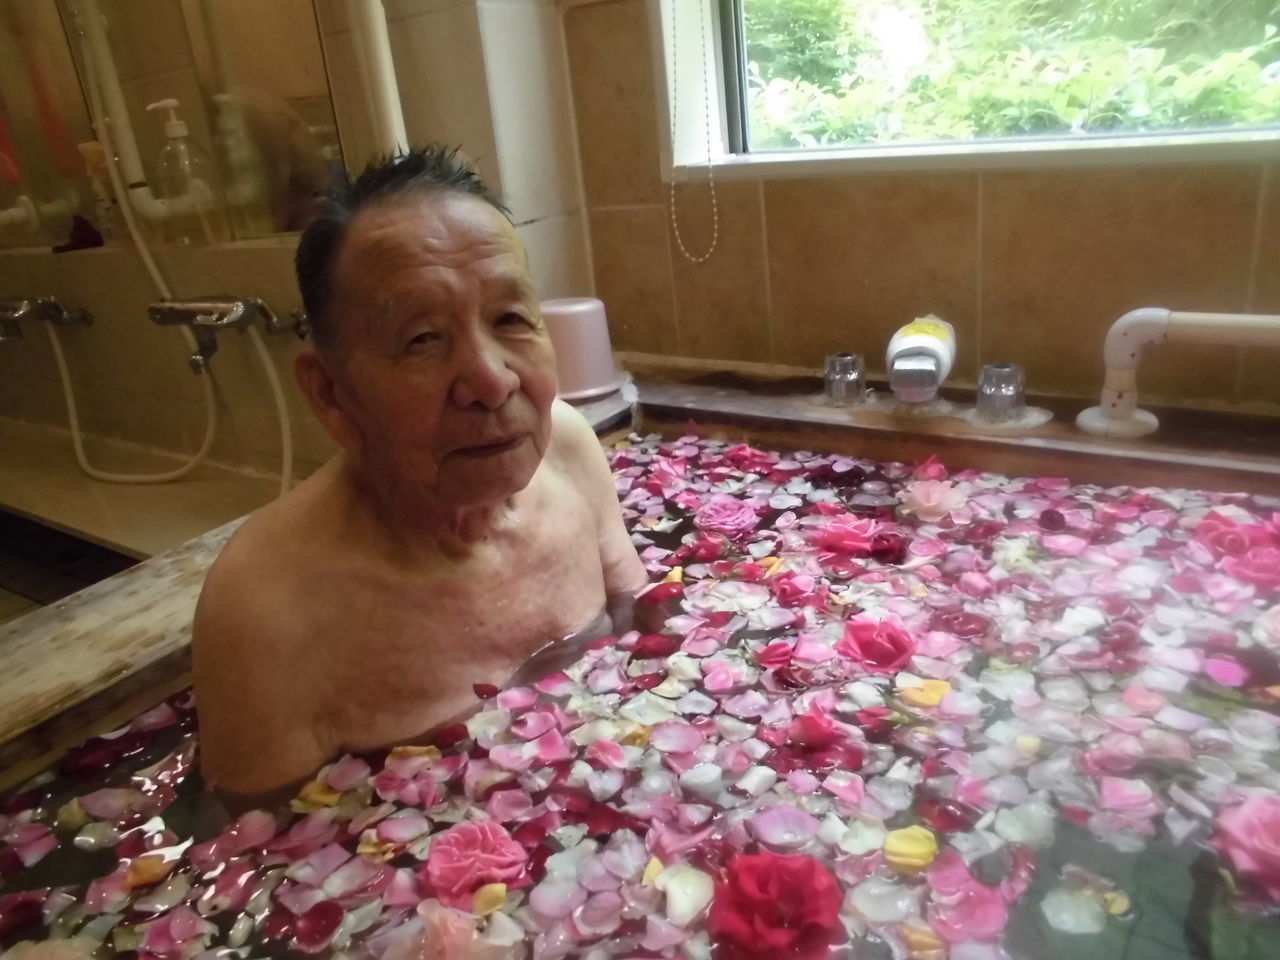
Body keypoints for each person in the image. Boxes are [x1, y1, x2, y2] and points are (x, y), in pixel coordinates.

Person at [192, 146, 649, 806]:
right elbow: (261, 838)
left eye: (511, 319)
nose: (492, 381)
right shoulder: (267, 607)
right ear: (331, 395)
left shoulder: (570, 450)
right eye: (423, 339)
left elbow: (642, 620)